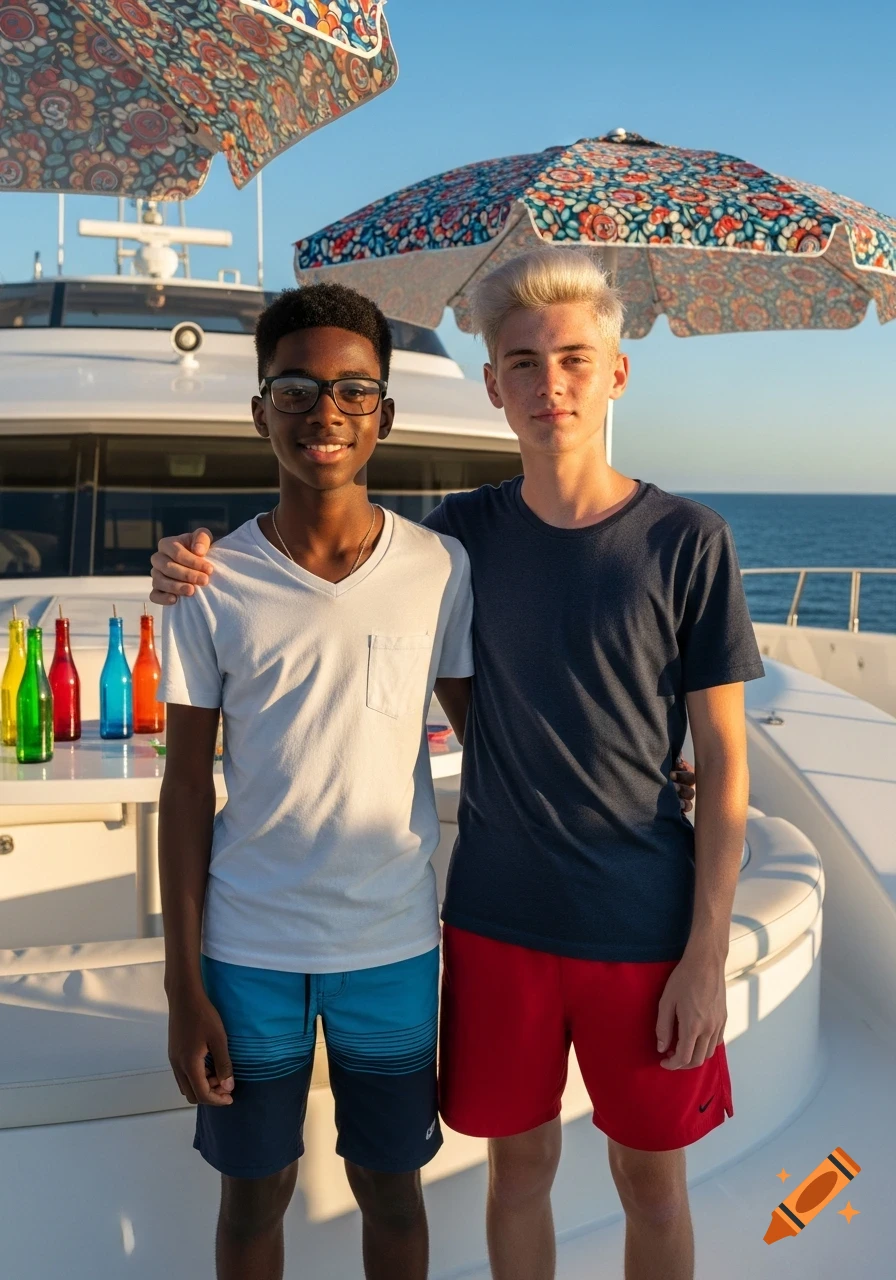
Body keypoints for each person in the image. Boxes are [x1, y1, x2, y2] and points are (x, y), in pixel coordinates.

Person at [148, 252, 744, 1280]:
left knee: (632, 1183)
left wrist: (695, 920)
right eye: (522, 361)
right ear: (492, 385)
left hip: (600, 921)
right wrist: (181, 559)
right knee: (496, 1172)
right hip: (467, 924)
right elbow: (325, 587)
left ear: (614, 373)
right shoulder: (450, 541)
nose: (548, 382)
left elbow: (703, 760)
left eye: (571, 358)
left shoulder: (651, 542)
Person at [157, 283, 477, 1280]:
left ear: (384, 412)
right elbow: (181, 790)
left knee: (390, 1186)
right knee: (253, 1194)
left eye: (352, 388)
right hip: (247, 950)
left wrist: (643, 777)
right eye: (294, 387)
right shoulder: (208, 581)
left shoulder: (441, 567)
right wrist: (182, 981)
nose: (323, 410)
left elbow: (496, 746)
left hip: (389, 944)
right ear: (260, 411)